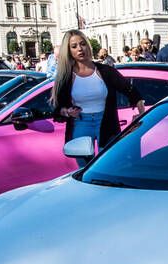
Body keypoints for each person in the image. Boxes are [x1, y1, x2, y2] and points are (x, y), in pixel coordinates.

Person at [51, 29, 145, 164]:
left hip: (106, 121)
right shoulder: (65, 76)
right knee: (85, 170)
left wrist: (141, 114)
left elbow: (132, 92)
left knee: (107, 165)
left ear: (88, 45)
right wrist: (67, 111)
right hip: (81, 123)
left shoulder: (105, 71)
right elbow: (58, 107)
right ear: (68, 51)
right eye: (74, 46)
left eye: (82, 44)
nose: (80, 49)